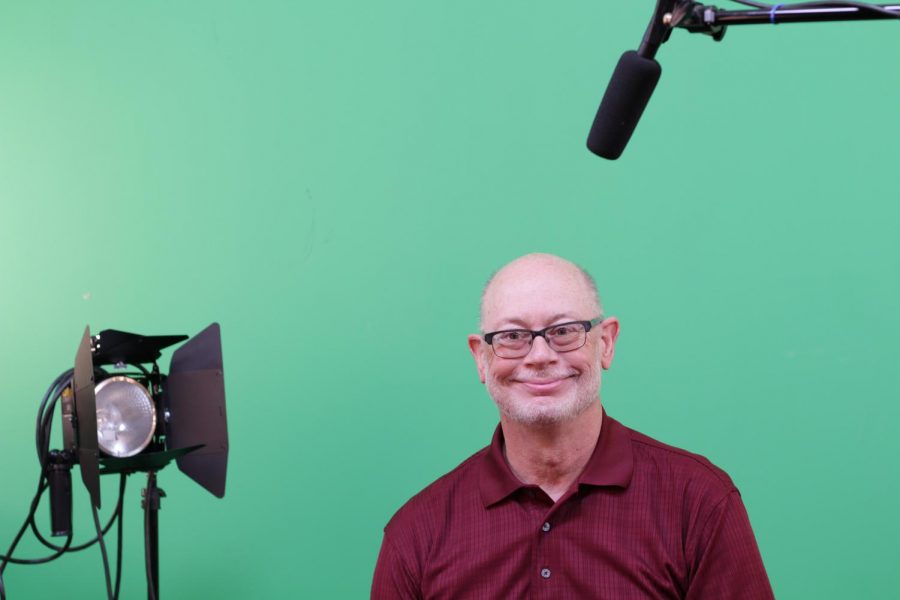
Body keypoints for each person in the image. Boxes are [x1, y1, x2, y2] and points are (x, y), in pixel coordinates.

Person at [371, 253, 774, 599]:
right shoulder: (417, 533)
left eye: (564, 331)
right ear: (481, 357)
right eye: (513, 336)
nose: (540, 355)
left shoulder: (699, 502)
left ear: (607, 342)